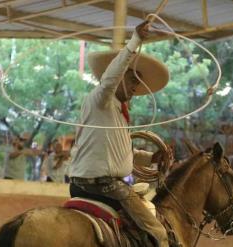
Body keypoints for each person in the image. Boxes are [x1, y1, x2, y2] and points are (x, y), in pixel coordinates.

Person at [69, 21, 169, 247]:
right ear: (118, 78)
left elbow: (122, 151)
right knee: (156, 230)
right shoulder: (101, 99)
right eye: (132, 79)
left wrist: (152, 158)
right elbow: (110, 79)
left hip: (91, 182)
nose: (136, 86)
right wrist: (135, 41)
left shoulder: (116, 113)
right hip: (101, 184)